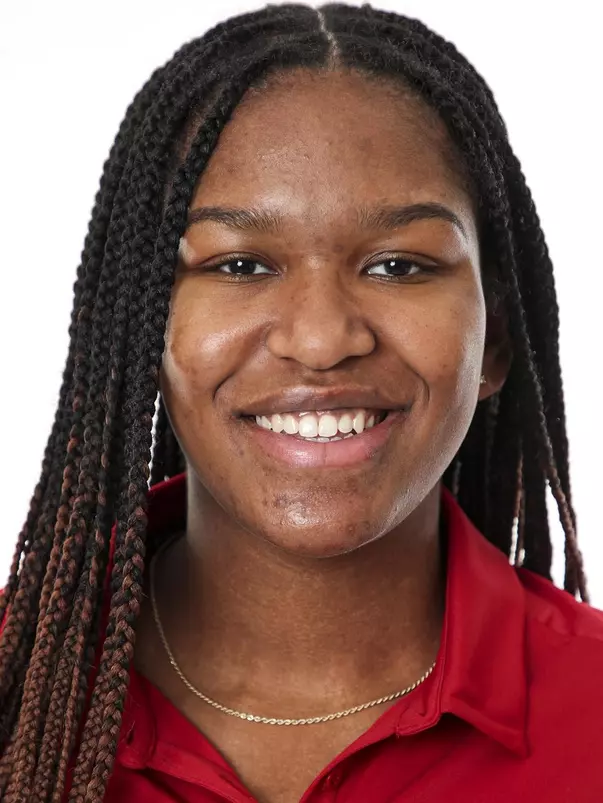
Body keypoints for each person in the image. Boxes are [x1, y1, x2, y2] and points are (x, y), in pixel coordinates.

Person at [1, 2, 602, 801]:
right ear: (141, 327)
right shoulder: (19, 693)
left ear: (493, 339)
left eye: (399, 266)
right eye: (241, 265)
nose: (321, 340)